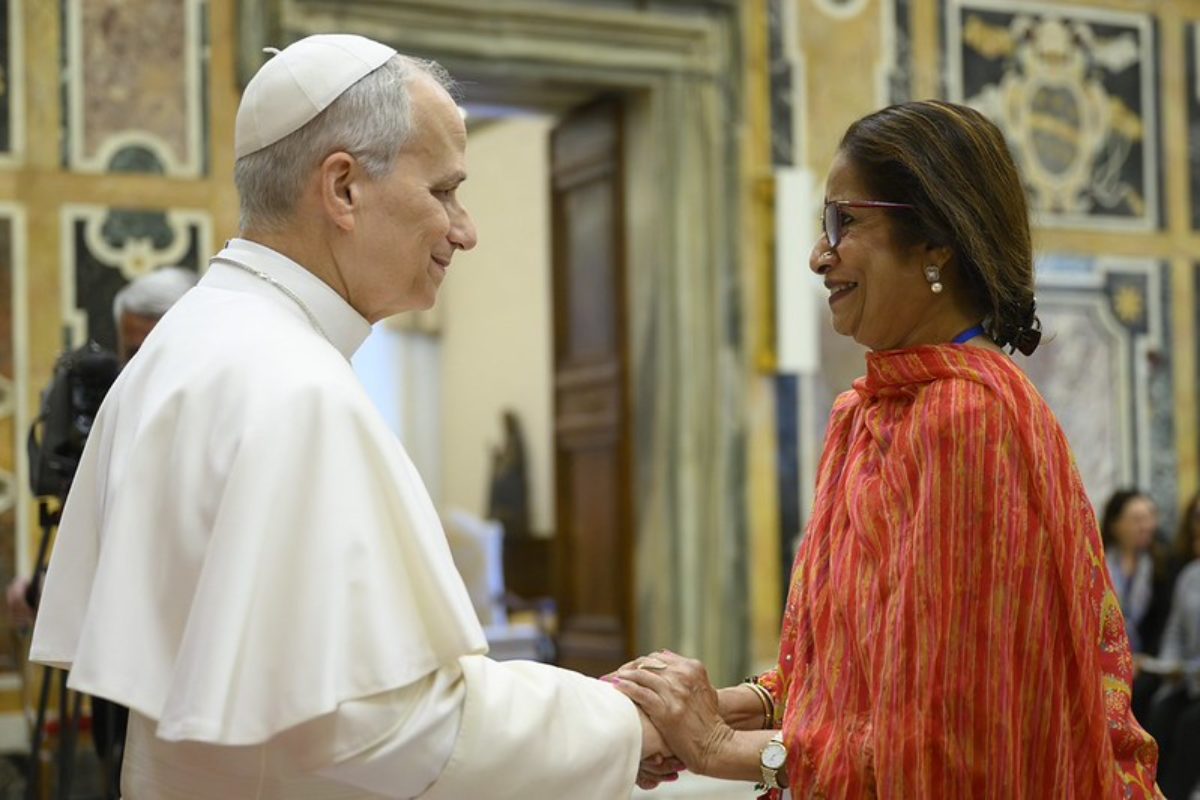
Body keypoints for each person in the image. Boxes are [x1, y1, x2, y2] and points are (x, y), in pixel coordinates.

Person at [29, 34, 662, 797]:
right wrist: (626, 720)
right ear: (343, 189)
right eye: (444, 190)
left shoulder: (188, 345)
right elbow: (385, 736)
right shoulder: (294, 388)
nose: (464, 229)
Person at [615, 100, 1162, 798]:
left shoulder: (968, 418)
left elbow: (945, 746)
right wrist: (696, 710)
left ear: (936, 244)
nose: (820, 255)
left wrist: (721, 748)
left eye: (846, 222)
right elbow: (848, 675)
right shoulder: (867, 411)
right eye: (824, 224)